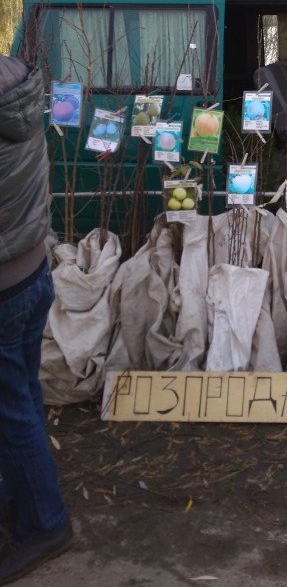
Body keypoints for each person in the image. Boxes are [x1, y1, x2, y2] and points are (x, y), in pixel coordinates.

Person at [0, 54, 72, 583]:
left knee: (11, 409)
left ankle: (45, 523)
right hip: (32, 271)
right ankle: (19, 493)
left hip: (3, 286)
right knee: (22, 394)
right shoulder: (16, 80)